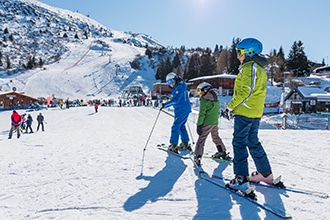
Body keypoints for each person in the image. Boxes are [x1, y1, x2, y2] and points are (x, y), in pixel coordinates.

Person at [223, 38, 273, 195]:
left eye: (239, 52)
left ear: (249, 52)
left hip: (245, 111)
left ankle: (241, 179)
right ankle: (265, 174)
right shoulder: (259, 68)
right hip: (254, 111)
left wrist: (230, 107)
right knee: (252, 142)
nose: (238, 56)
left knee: (239, 143)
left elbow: (246, 91)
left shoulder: (249, 67)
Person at [193, 82, 231, 166]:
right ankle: (222, 152)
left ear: (205, 90)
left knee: (201, 139)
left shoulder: (204, 100)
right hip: (214, 122)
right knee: (215, 137)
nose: (199, 94)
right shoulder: (216, 99)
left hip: (207, 123)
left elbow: (202, 114)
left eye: (200, 91)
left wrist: (199, 125)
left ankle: (197, 156)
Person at [161, 72, 192, 153]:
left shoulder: (179, 87)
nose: (170, 84)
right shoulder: (179, 86)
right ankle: (185, 143)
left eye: (171, 81)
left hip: (182, 109)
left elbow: (176, 100)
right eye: (168, 82)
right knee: (181, 126)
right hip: (183, 109)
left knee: (175, 126)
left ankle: (173, 145)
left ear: (175, 79)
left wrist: (165, 105)